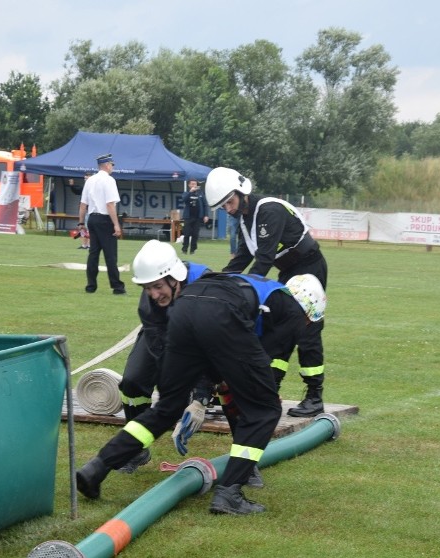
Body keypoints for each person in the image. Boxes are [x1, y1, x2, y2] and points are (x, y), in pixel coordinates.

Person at [76, 269, 323, 515]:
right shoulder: (291, 312)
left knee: (166, 408)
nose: (306, 327)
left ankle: (98, 467)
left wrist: (204, 393)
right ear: (308, 311)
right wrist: (252, 390)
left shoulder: (259, 290)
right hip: (220, 315)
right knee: (265, 410)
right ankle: (230, 494)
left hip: (184, 310)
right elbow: (260, 364)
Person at [205, 166, 329, 418]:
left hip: (309, 268)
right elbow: (242, 257)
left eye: (229, 202)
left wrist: (243, 289)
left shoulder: (269, 210)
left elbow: (263, 259)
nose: (228, 209)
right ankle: (270, 389)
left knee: (307, 331)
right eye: (223, 206)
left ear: (242, 193)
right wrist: (218, 280)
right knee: (280, 331)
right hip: (287, 272)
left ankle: (315, 396)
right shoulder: (244, 219)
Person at [115, 240, 211, 472]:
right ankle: (135, 450)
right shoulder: (149, 303)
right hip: (166, 335)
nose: (154, 294)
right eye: (147, 288)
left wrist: (200, 398)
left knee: (236, 389)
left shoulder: (205, 286)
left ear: (174, 277)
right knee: (132, 381)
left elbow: (211, 347)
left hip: (207, 340)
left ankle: (246, 464)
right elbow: (159, 347)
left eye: (157, 286)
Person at [78, 154, 126, 295]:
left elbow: (83, 204)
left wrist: (81, 222)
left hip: (92, 218)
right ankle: (117, 286)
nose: (112, 167)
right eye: (111, 165)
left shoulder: (90, 180)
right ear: (106, 165)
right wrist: (116, 224)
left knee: (93, 253)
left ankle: (91, 285)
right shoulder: (109, 181)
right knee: (110, 255)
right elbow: (110, 204)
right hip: (105, 219)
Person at [181, 179, 208, 254]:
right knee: (187, 234)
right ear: (189, 185)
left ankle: (193, 250)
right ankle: (184, 249)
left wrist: (206, 215)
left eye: (195, 184)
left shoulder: (201, 193)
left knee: (195, 234)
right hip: (188, 217)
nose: (194, 185)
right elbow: (184, 199)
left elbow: (205, 205)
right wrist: (190, 192)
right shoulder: (186, 193)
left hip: (198, 217)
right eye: (192, 184)